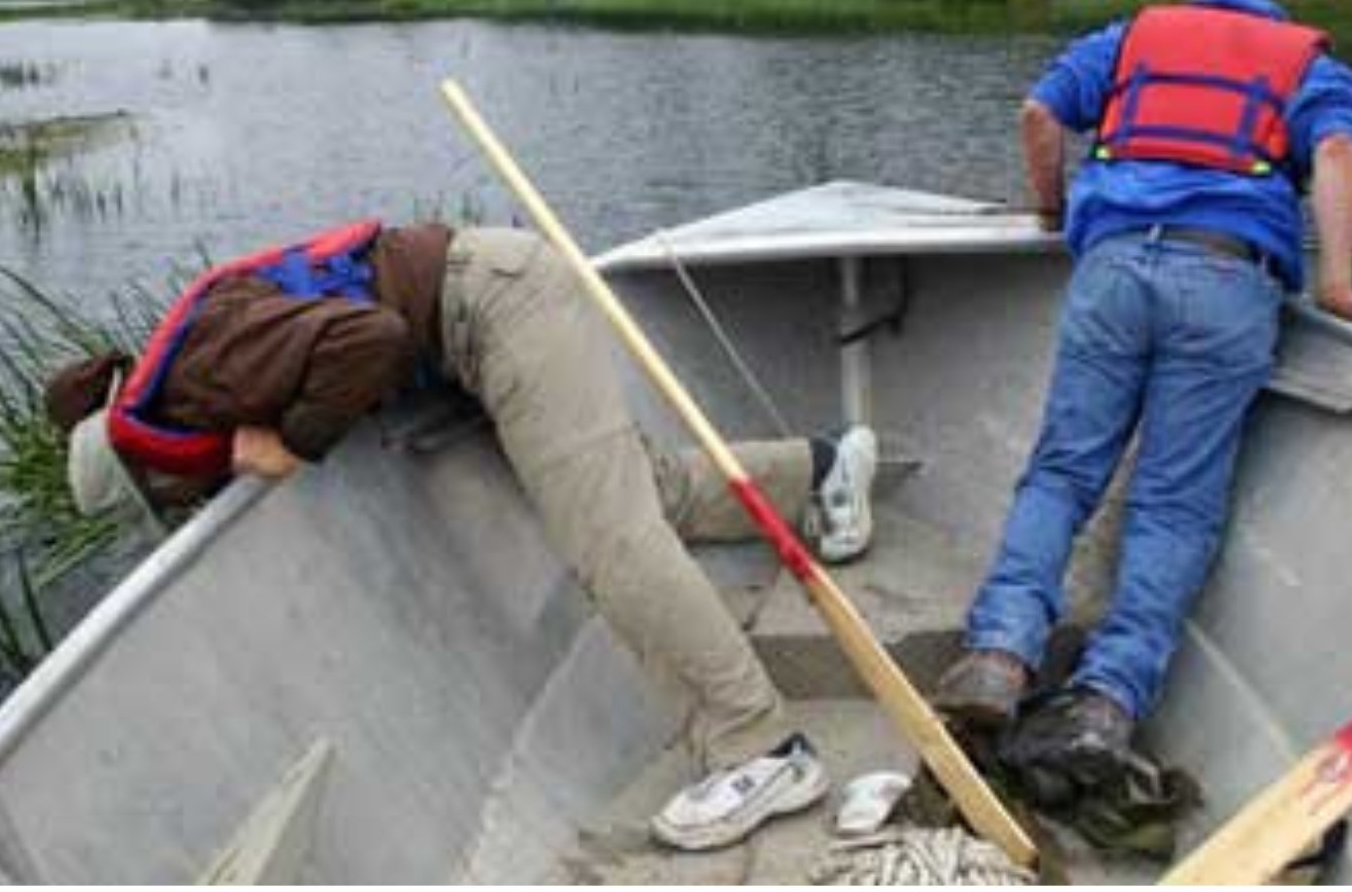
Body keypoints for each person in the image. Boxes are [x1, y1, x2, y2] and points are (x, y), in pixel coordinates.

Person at [45, 219, 879, 852]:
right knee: (641, 491)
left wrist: (292, 441)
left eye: (163, 497)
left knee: (610, 541)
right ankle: (822, 469)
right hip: (479, 320)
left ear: (144, 466)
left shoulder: (201, 373)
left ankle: (761, 751)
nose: (180, 499)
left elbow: (369, 338)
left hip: (494, 310)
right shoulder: (184, 375)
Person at [933, 0, 1352, 782]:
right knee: (1174, 503)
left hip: (1113, 269)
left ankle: (998, 655)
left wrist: (1052, 210)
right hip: (1225, 279)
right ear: (1271, 23)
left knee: (1065, 472)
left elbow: (1038, 115)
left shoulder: (1133, 38)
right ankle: (1107, 702)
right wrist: (1339, 283)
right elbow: (1339, 153)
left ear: (1197, 12)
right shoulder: (1306, 63)